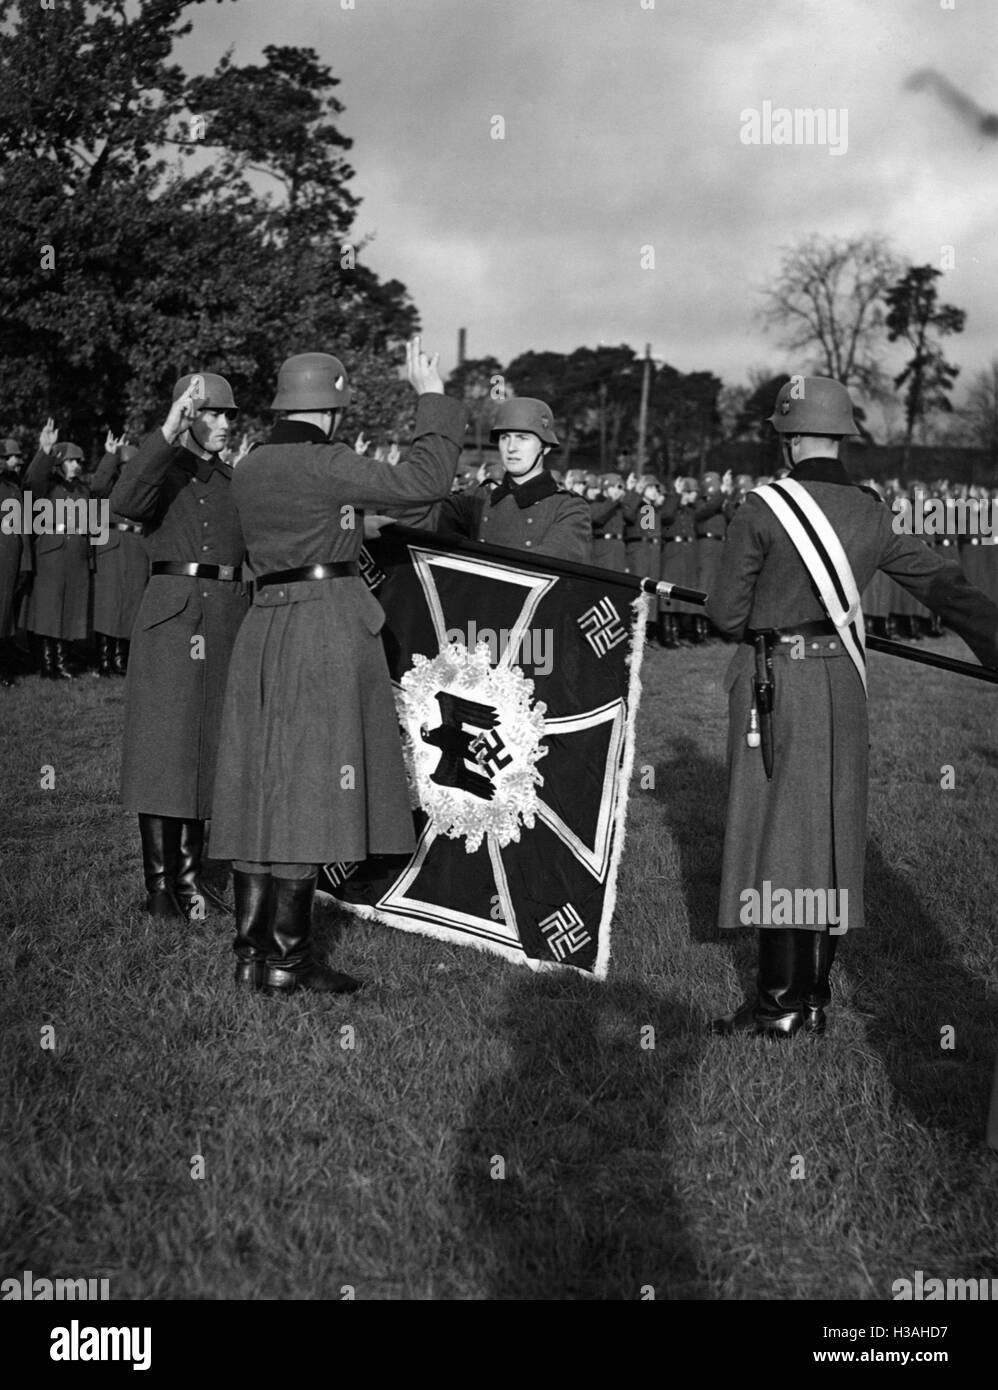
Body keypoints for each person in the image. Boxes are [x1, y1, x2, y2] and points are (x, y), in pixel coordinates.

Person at [707, 376, 998, 1038]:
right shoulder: (869, 512)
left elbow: (726, 616)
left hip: (777, 683)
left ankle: (778, 1006)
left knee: (781, 839)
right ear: (843, 436)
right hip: (844, 685)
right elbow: (942, 584)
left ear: (785, 436)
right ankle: (812, 998)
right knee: (829, 837)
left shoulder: (761, 507)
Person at [209, 339, 467, 996]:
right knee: (310, 790)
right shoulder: (326, 463)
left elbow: (281, 535)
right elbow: (425, 484)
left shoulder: (250, 466)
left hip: (264, 626)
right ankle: (289, 962)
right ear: (332, 409)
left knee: (261, 787)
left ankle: (250, 952)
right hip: (321, 626)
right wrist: (429, 395)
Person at [110, 373, 247, 922]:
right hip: (170, 618)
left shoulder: (236, 479)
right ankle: (160, 886)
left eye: (229, 415)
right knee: (162, 751)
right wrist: (167, 428)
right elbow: (123, 498)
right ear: (189, 417)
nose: (224, 424)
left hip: (225, 619)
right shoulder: (161, 471)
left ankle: (190, 881)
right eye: (213, 414)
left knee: (206, 751)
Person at [437, 397, 590, 563]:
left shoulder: (569, 507)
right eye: (504, 438)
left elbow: (554, 563)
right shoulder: (477, 497)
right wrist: (445, 443)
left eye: (522, 438)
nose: (511, 448)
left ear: (545, 448)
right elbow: (423, 516)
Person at [24, 429, 93, 680]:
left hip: (76, 553)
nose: (77, 465)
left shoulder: (83, 491)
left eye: (80, 461)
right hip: (52, 552)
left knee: (71, 607)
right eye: (72, 460)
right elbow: (32, 480)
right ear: (59, 463)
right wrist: (44, 451)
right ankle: (47, 663)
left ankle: (62, 661)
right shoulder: (47, 487)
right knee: (50, 608)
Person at [89, 434, 149, 676]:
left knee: (132, 605)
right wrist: (111, 455)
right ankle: (104, 659)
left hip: (136, 546)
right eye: (124, 467)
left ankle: (121, 658)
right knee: (108, 606)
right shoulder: (108, 489)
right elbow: (97, 485)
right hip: (111, 546)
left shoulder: (143, 488)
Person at [0, 437, 31, 686]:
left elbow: (22, 530)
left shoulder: (13, 489)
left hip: (9, 560)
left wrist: (25, 562)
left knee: (5, 616)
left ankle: (4, 668)